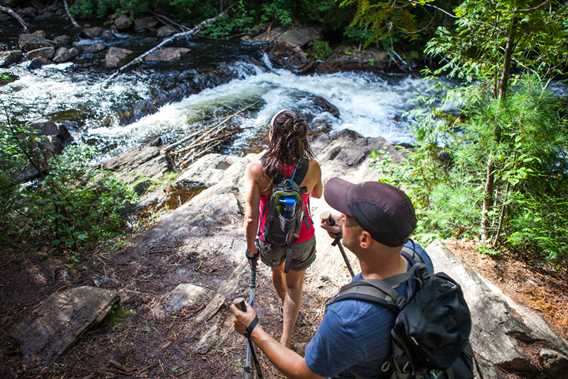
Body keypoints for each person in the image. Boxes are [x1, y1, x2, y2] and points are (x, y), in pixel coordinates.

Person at [231, 178, 434, 379]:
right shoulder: (416, 256)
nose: (341, 217)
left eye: (347, 217)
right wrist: (346, 232)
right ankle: (325, 349)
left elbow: (305, 373)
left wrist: (254, 330)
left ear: (365, 239)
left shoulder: (349, 318)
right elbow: (380, 252)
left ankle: (323, 353)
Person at [243, 109, 323, 348]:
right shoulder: (313, 166)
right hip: (302, 236)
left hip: (271, 238)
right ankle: (286, 339)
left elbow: (250, 216)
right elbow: (317, 193)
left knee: (277, 273)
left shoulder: (257, 169)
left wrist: (250, 249)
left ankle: (287, 303)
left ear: (272, 135)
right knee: (295, 284)